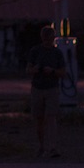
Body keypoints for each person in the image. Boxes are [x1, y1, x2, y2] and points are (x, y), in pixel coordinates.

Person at [27, 25, 66, 158]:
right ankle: (42, 146)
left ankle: (52, 147)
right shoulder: (35, 51)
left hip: (51, 88)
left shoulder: (57, 53)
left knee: (51, 118)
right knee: (39, 118)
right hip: (38, 87)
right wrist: (36, 69)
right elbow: (28, 69)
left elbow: (63, 72)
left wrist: (53, 71)